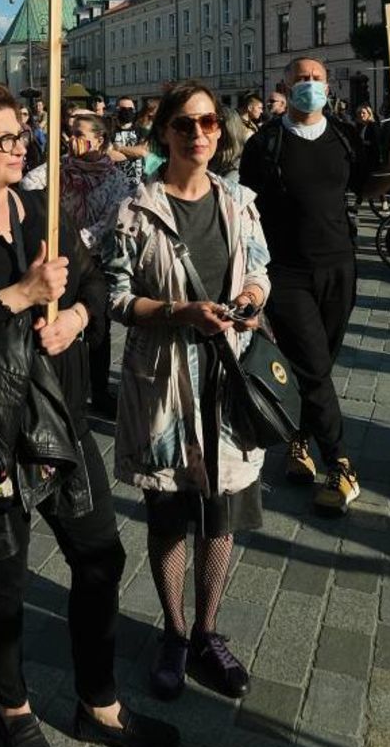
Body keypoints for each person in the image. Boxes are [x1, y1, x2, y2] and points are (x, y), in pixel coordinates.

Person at [0, 82, 177, 747]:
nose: (21, 145)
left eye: (21, 132)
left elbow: (88, 284)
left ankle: (100, 702)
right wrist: (16, 297)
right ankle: (15, 707)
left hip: (59, 414)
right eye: (3, 138)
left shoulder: (40, 206)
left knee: (101, 556)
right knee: (5, 576)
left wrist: (76, 320)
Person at [108, 81, 271, 702]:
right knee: (171, 517)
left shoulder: (239, 203)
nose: (199, 133)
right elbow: (117, 296)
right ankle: (175, 632)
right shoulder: (136, 210)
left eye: (208, 123)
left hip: (228, 377)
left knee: (222, 515)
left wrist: (252, 301)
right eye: (185, 125)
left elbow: (259, 270)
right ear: (164, 134)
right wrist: (180, 311)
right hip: (166, 381)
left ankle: (208, 631)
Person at [239, 55, 390, 515]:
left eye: (316, 79)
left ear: (327, 86)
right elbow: (245, 208)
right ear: (285, 85)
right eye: (301, 80)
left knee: (317, 364)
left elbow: (367, 188)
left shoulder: (344, 136)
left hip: (340, 266)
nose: (309, 85)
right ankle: (340, 464)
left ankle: (296, 441)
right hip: (287, 272)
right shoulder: (266, 143)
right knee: (313, 363)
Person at [23, 112, 131, 417]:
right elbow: (30, 182)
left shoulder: (115, 179)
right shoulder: (58, 171)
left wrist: (73, 242)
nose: (71, 139)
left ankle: (98, 390)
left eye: (79, 134)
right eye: (69, 133)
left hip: (93, 261)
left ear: (99, 140)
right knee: (51, 320)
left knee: (98, 325)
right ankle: (54, 386)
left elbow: (109, 222)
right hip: (55, 257)